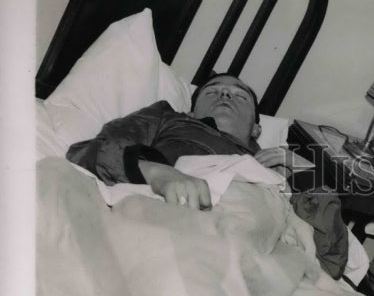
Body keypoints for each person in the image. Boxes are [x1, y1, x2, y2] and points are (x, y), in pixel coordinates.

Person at [66, 73, 296, 211]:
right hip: (165, 213)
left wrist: (301, 173)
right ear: (191, 113)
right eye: (212, 92)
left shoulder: (274, 164)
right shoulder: (167, 117)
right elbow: (96, 150)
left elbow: (326, 247)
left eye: (240, 96)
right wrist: (157, 173)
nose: (225, 94)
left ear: (257, 129)